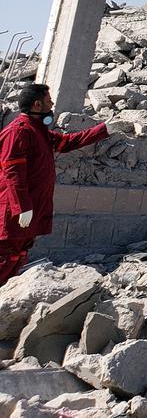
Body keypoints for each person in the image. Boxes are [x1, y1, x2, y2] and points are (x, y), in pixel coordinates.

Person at [0, 83, 120, 286]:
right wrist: (23, 207)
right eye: (49, 101)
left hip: (29, 211)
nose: (52, 104)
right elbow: (13, 174)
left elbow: (68, 142)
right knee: (5, 256)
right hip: (14, 212)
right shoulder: (18, 132)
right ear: (37, 105)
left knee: (18, 257)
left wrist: (105, 129)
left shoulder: (38, 130)